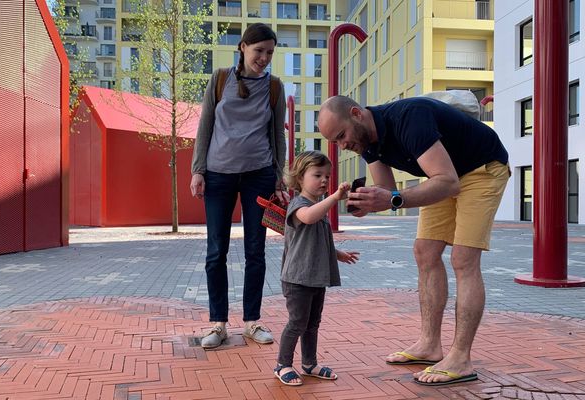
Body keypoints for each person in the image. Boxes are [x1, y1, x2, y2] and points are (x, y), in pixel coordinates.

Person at [317, 95, 509, 386]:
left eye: (342, 136)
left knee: (463, 259)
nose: (343, 146)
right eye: (336, 141)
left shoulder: (410, 118)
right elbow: (387, 190)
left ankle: (460, 357)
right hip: (447, 175)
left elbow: (445, 183)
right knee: (425, 252)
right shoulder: (366, 143)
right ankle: (430, 345)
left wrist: (393, 199)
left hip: (482, 169)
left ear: (356, 114)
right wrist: (369, 202)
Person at [190, 23, 287, 349]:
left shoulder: (274, 87)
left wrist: (279, 176)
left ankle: (251, 322)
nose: (264, 58)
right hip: (218, 175)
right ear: (243, 47)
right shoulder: (219, 80)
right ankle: (218, 324)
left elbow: (278, 137)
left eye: (270, 53)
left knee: (255, 252)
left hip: (258, 175)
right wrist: (198, 170)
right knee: (216, 251)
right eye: (259, 51)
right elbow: (205, 127)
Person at [274, 151, 360, 386]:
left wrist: (338, 254)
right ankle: (282, 364)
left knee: (312, 324)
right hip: (297, 279)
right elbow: (308, 218)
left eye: (327, 176)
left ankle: (309, 363)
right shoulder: (299, 204)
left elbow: (318, 241)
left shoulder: (318, 207)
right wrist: (334, 197)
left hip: (315, 278)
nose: (324, 180)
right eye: (317, 175)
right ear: (300, 178)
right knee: (297, 323)